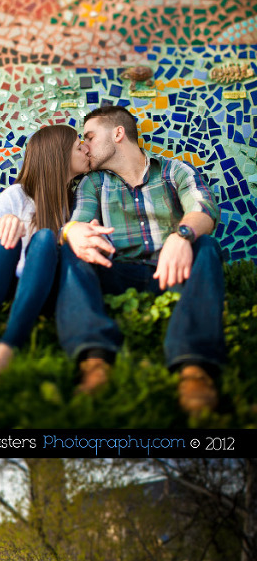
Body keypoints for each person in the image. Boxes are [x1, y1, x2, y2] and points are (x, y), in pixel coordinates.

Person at [55, 104, 224, 412]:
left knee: (207, 247)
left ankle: (194, 370)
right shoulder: (93, 183)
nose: (85, 146)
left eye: (90, 137)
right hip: (116, 273)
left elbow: (205, 210)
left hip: (173, 272)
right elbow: (79, 219)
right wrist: (73, 230)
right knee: (74, 248)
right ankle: (94, 361)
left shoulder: (175, 170)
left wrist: (182, 235)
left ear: (118, 134)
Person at [0, 124, 90, 391]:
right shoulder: (18, 195)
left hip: (39, 290)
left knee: (46, 238)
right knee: (7, 233)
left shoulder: (77, 202)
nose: (85, 149)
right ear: (58, 155)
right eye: (77, 146)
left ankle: (6, 351)